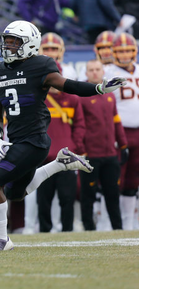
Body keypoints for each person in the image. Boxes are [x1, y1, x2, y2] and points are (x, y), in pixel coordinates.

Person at [0, 20, 127, 251]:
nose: (7, 47)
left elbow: (69, 85)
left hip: (35, 140)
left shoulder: (41, 66)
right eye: (6, 42)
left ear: (29, 44)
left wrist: (97, 88)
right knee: (14, 193)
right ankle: (59, 164)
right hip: (18, 140)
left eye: (13, 42)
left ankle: (2, 239)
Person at [36, 61, 86, 233]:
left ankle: (67, 231)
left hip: (66, 158)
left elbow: (80, 125)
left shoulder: (72, 99)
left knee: (67, 198)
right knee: (43, 199)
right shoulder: (37, 99)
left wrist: (74, 146)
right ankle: (44, 231)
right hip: (44, 158)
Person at [79, 59, 127, 231]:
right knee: (88, 196)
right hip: (90, 155)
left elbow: (116, 121)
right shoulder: (82, 96)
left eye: (97, 69)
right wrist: (81, 150)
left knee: (113, 195)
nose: (94, 72)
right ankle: (88, 230)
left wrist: (123, 145)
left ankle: (118, 229)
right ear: (86, 73)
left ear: (102, 72)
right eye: (91, 70)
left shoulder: (110, 95)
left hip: (110, 155)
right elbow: (79, 125)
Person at [102, 33, 139, 231]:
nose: (125, 55)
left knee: (134, 178)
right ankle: (110, 222)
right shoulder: (108, 72)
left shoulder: (142, 70)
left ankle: (129, 222)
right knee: (116, 177)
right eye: (121, 51)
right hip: (120, 131)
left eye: (128, 51)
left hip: (140, 131)